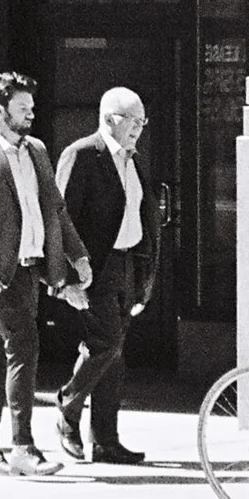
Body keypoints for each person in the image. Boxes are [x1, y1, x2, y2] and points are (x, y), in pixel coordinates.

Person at [0, 69, 89, 476]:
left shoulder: (38, 152)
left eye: (31, 107)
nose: (31, 114)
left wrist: (76, 256)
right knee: (25, 346)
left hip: (28, 270)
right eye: (22, 108)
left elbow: (55, 209)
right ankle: (23, 447)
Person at [53, 86, 162, 467]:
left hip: (128, 263)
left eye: (142, 121)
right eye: (132, 120)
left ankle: (105, 440)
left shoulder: (134, 160)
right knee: (106, 343)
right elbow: (60, 220)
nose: (139, 128)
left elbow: (142, 215)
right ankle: (67, 406)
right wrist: (65, 278)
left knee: (114, 354)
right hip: (94, 268)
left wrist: (145, 273)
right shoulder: (82, 155)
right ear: (110, 118)